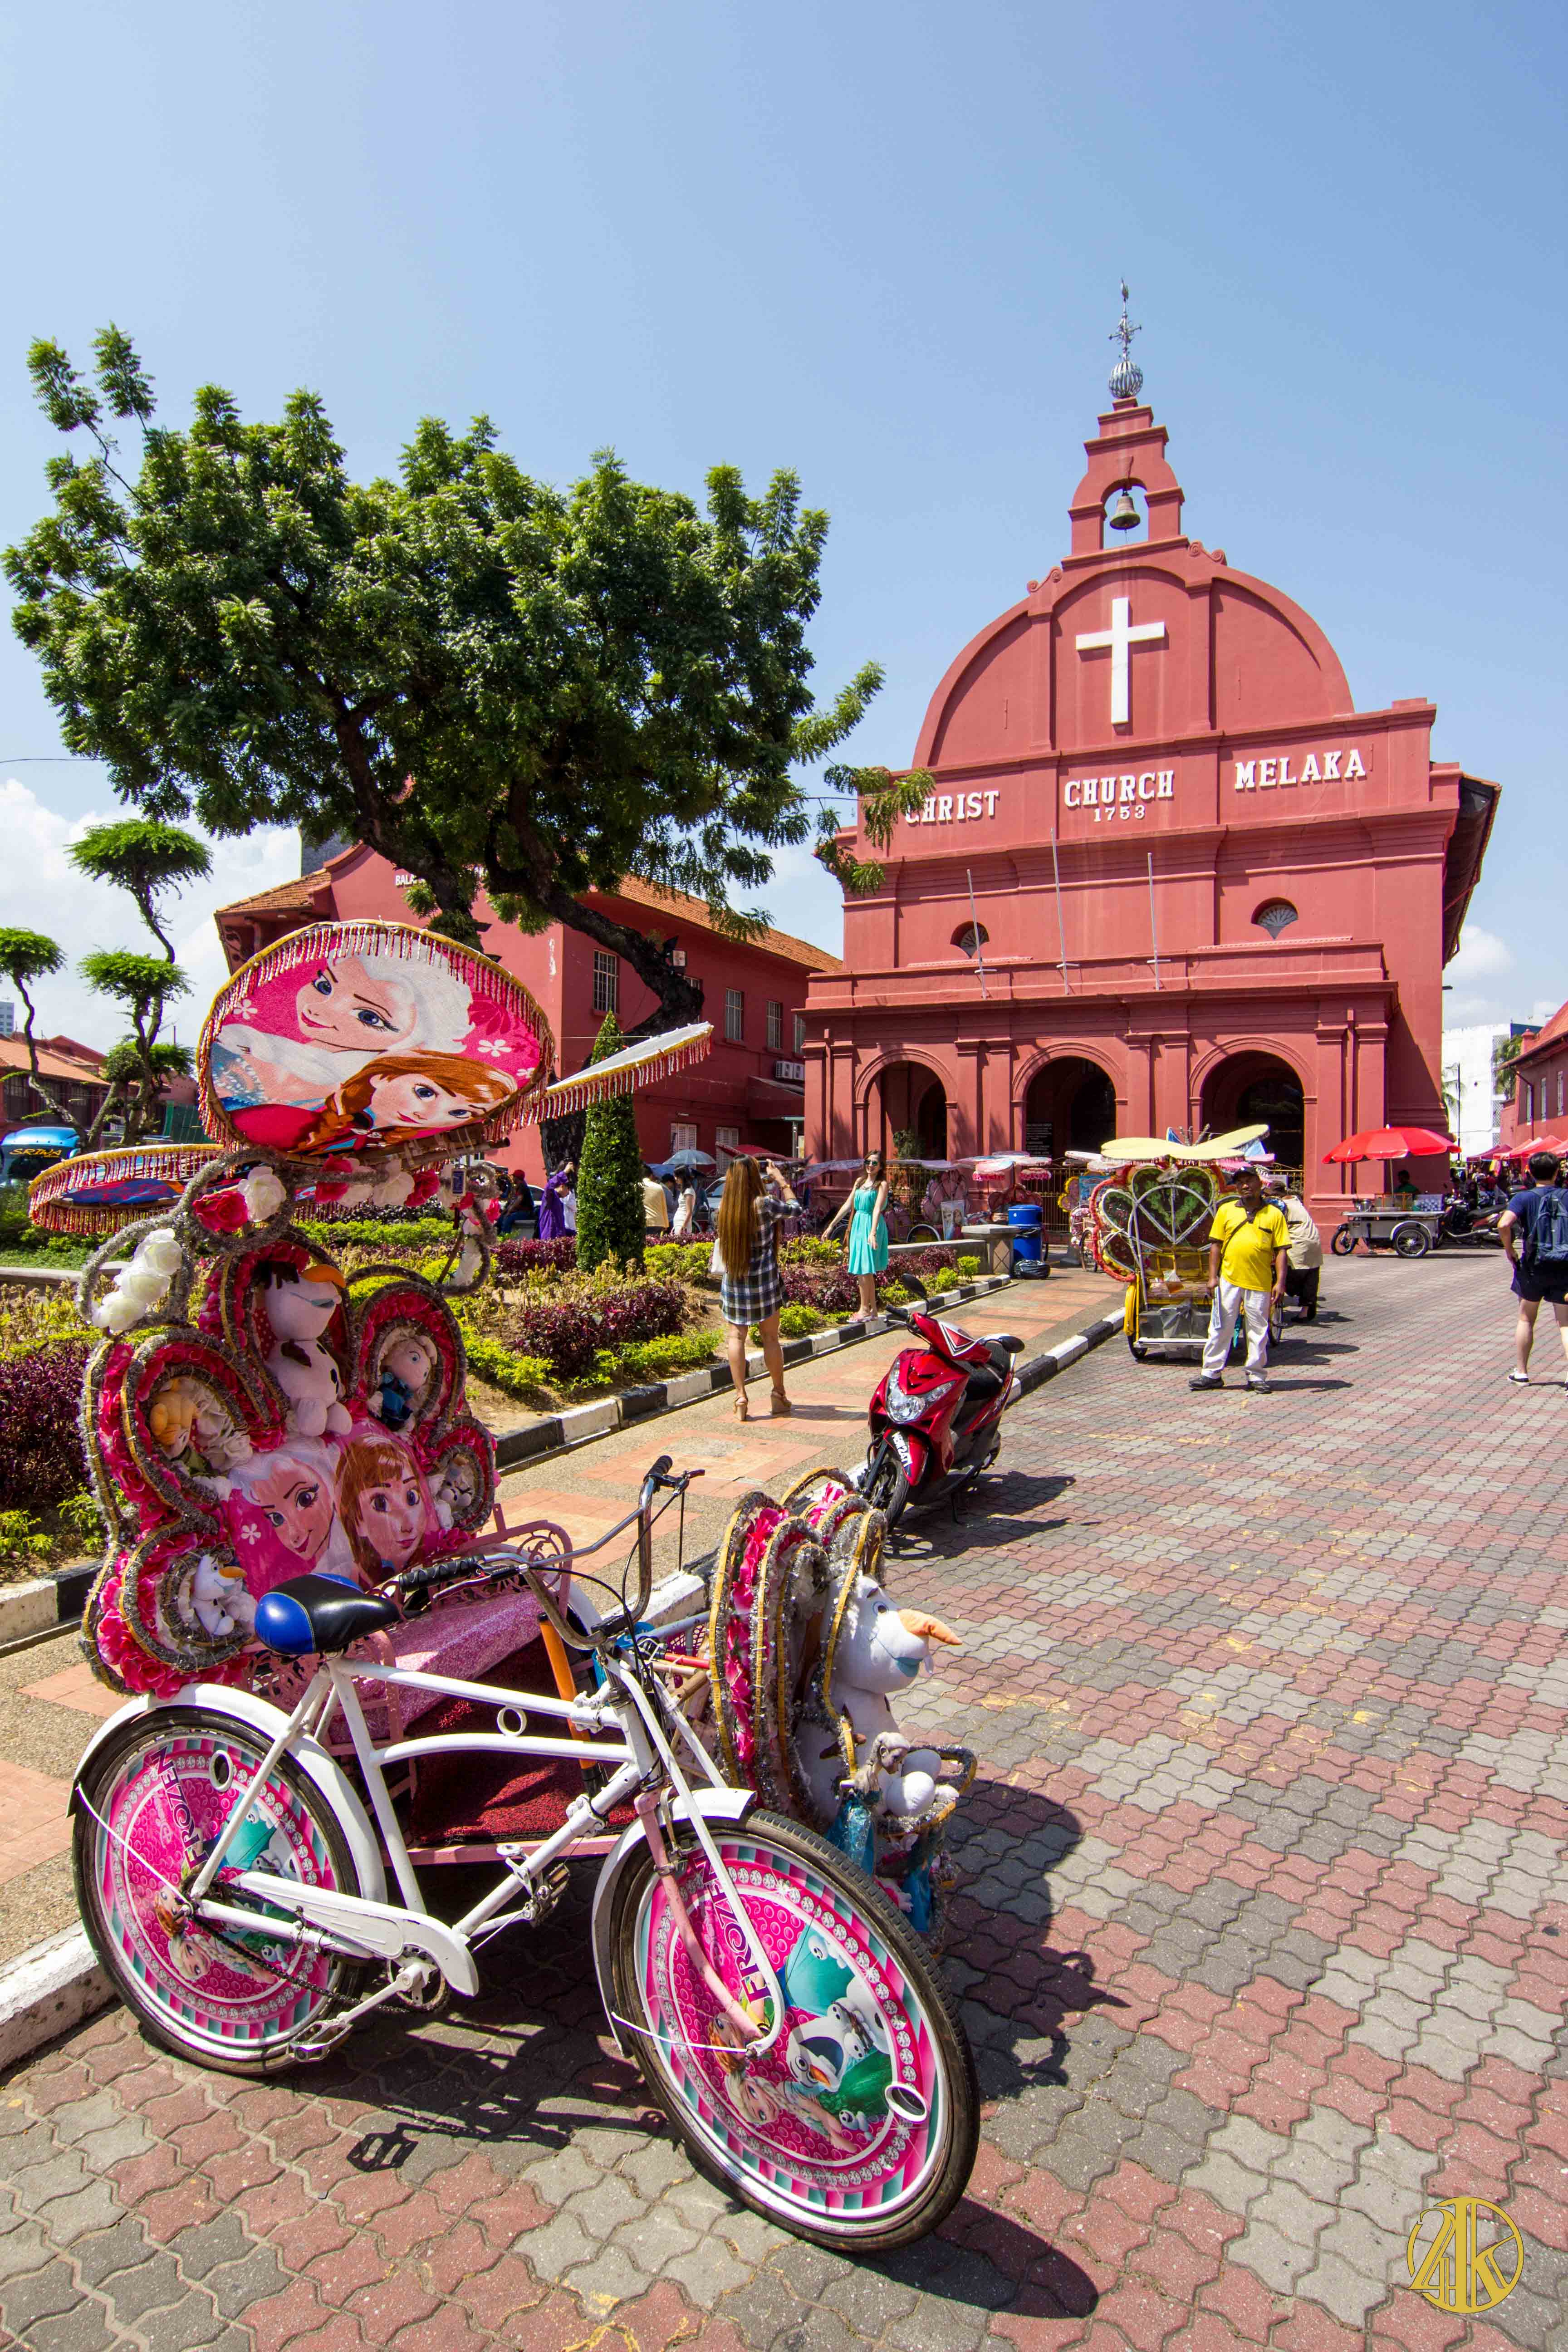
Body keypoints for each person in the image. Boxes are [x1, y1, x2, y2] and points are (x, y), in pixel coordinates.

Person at [1191, 1165, 1290, 1394]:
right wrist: (1212, 1278)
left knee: (1258, 1330)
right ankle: (1211, 1373)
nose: (1245, 1186)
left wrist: (1280, 1283)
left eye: (1250, 1181)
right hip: (1229, 1279)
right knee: (1220, 1327)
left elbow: (1282, 1251)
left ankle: (1256, 1376)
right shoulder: (1226, 1211)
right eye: (1240, 1182)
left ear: (1260, 1184)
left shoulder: (1274, 1214)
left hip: (1260, 1282)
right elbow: (1216, 1246)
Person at [716, 1156, 800, 1421]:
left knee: (736, 1337)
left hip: (735, 1282)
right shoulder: (765, 1205)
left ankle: (741, 1397)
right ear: (755, 1176)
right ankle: (778, 1395)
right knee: (771, 1338)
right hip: (764, 1282)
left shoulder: (724, 1210)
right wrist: (781, 1180)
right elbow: (796, 1209)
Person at [1498, 1149, 1568, 1384]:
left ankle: (1522, 1373)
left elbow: (1504, 1224)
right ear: (1557, 1172)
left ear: (1530, 1172)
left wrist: (1510, 1249)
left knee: (1526, 1319)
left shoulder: (1523, 1198)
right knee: (1566, 1324)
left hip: (1533, 1266)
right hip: (1564, 1266)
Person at [823, 1150, 891, 1320]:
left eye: (875, 1163)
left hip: (872, 1224)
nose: (871, 1165)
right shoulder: (860, 1182)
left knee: (864, 1268)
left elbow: (877, 1209)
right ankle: (873, 1311)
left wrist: (873, 1233)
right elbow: (848, 1205)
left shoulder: (882, 1184)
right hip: (858, 1225)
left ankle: (864, 1309)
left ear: (881, 1166)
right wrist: (831, 1225)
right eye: (868, 1162)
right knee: (864, 1269)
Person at [1265, 1176, 1322, 1320]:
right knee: (1311, 1277)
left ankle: (1273, 1306)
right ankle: (1306, 1311)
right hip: (1313, 1241)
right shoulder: (1295, 1201)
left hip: (1298, 1244)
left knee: (1285, 1275)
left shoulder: (1280, 1205)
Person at [496, 1170, 535, 1237]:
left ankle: (504, 1238)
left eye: (514, 1177)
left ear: (517, 1178)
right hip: (521, 1211)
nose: (513, 1178)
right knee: (502, 1218)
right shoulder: (518, 1187)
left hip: (527, 1213)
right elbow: (513, 1201)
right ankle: (497, 1234)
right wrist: (505, 1212)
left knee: (509, 1218)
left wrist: (510, 1211)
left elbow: (519, 1200)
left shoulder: (523, 1186)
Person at [535, 1167, 568, 1241]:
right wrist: (565, 1172)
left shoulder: (559, 1202)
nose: (569, 1193)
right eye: (568, 1189)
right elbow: (549, 1186)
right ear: (562, 1186)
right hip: (549, 1238)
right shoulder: (551, 1196)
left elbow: (560, 1228)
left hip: (558, 1240)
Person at [642, 1165, 671, 1234]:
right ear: (651, 1176)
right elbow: (664, 1207)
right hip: (658, 1222)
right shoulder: (659, 1187)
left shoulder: (636, 1187)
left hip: (642, 1221)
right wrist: (666, 1224)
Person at [671, 1175, 697, 1239]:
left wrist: (683, 1227)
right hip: (680, 1222)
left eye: (677, 1176)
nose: (675, 1178)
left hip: (682, 1223)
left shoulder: (688, 1191)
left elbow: (689, 1212)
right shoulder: (685, 1190)